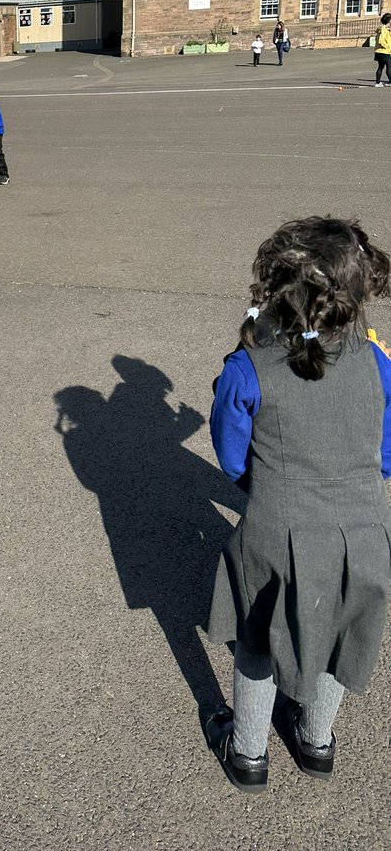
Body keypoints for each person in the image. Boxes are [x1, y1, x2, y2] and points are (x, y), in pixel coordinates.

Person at [205, 216, 391, 793]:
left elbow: (234, 459)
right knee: (338, 631)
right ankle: (316, 742)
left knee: (258, 634)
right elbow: (386, 454)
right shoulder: (378, 361)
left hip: (277, 528)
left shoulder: (247, 368)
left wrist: (273, 488)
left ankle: (249, 754)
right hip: (365, 529)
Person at [373, 12, 391, 86]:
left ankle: (378, 82)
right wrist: (387, 46)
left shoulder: (384, 29)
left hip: (379, 51)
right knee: (389, 66)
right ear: (389, 20)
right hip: (384, 51)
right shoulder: (383, 29)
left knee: (381, 67)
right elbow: (381, 41)